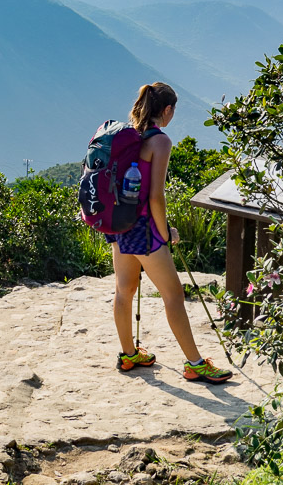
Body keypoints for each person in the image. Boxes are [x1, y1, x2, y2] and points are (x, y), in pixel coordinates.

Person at [105, 82, 233, 383]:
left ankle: (129, 354)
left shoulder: (128, 136)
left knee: (124, 290)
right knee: (174, 294)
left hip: (119, 223)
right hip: (143, 230)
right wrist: (164, 232)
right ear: (167, 110)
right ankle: (195, 363)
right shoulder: (160, 142)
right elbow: (155, 197)